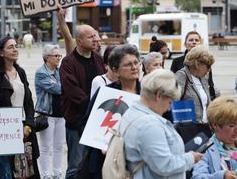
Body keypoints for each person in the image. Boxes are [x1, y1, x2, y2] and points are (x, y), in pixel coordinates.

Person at [120, 69, 203, 178]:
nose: (169, 108)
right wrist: (191, 158)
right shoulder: (149, 125)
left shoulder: (133, 112)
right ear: (159, 96)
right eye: (170, 102)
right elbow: (165, 166)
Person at [81, 44, 141, 179]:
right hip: (104, 160)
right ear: (115, 70)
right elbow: (85, 125)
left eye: (136, 62)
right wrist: (99, 143)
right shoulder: (105, 93)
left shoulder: (147, 94)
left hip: (138, 161)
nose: (134, 67)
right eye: (128, 64)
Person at [0, 37, 40, 179]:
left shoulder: (20, 71)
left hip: (25, 127)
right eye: (10, 47)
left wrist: (29, 124)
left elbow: (29, 102)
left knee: (30, 170)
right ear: (0, 52)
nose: (15, 49)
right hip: (6, 130)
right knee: (11, 170)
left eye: (16, 46)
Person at [59, 24, 105, 179]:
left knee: (93, 163)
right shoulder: (68, 62)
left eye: (95, 36)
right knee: (75, 166)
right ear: (79, 41)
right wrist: (93, 105)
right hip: (76, 121)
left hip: (97, 121)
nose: (95, 39)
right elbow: (72, 91)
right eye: (91, 36)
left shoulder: (98, 59)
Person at [35, 44, 65, 179]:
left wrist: (59, 84)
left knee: (59, 146)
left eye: (60, 55)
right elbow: (59, 89)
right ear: (47, 57)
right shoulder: (41, 73)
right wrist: (60, 85)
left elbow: (65, 87)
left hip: (62, 114)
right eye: (56, 56)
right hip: (47, 114)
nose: (59, 58)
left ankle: (57, 174)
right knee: (46, 147)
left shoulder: (60, 71)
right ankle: (46, 175)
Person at [192, 95, 237, 179]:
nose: (236, 130)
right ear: (215, 125)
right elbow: (197, 177)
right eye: (231, 125)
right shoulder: (205, 150)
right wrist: (222, 176)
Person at [171, 31, 218, 100]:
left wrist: (212, 100)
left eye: (197, 40)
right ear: (185, 44)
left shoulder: (206, 61)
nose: (194, 42)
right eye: (191, 40)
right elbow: (172, 84)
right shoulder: (177, 61)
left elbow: (210, 84)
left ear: (200, 43)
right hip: (185, 102)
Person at [176, 45, 215, 123]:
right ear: (197, 64)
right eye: (208, 66)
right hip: (189, 129)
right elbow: (173, 103)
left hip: (205, 127)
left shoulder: (202, 77)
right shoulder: (181, 76)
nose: (209, 70)